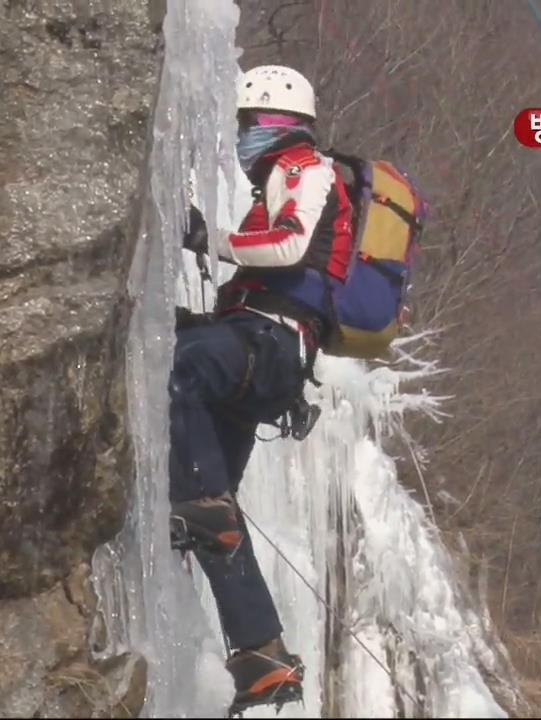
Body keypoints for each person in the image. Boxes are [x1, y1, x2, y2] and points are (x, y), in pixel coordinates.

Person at [167, 64, 354, 713]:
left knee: (178, 367)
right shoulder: (280, 178)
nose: (250, 134)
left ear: (284, 127)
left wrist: (213, 240)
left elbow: (290, 244)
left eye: (257, 123)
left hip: (269, 343)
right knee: (206, 512)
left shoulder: (306, 169)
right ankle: (260, 653)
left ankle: (206, 509)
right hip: (266, 353)